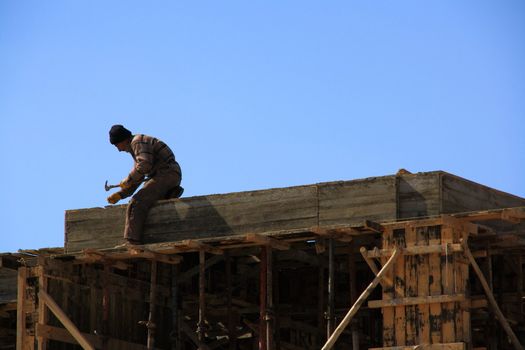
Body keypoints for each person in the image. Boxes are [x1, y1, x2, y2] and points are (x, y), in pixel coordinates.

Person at [107, 124, 183, 245]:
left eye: (117, 145)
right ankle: (167, 194)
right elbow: (139, 176)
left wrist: (128, 179)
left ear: (123, 140)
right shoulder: (136, 146)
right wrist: (121, 194)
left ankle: (132, 240)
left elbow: (144, 166)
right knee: (150, 203)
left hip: (166, 173)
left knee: (137, 202)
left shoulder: (137, 142)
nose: (119, 149)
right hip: (166, 174)